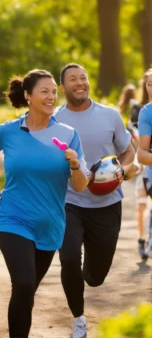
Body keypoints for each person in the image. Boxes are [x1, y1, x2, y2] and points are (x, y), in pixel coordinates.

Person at [0, 69, 90, 337]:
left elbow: (81, 185)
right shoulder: (9, 131)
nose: (51, 97)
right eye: (44, 91)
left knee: (27, 291)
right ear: (28, 96)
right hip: (13, 218)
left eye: (53, 92)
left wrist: (74, 165)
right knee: (24, 284)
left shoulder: (68, 134)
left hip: (49, 225)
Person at [53, 64, 136, 338]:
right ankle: (79, 319)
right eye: (73, 79)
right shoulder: (54, 120)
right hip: (70, 202)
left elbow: (127, 152)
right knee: (67, 258)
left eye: (84, 78)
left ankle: (88, 274)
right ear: (62, 88)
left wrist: (122, 170)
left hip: (107, 204)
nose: (80, 83)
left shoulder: (110, 115)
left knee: (95, 277)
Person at [123, 74, 151, 258]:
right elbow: (141, 151)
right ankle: (142, 239)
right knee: (142, 205)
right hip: (146, 169)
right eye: (149, 84)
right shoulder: (142, 110)